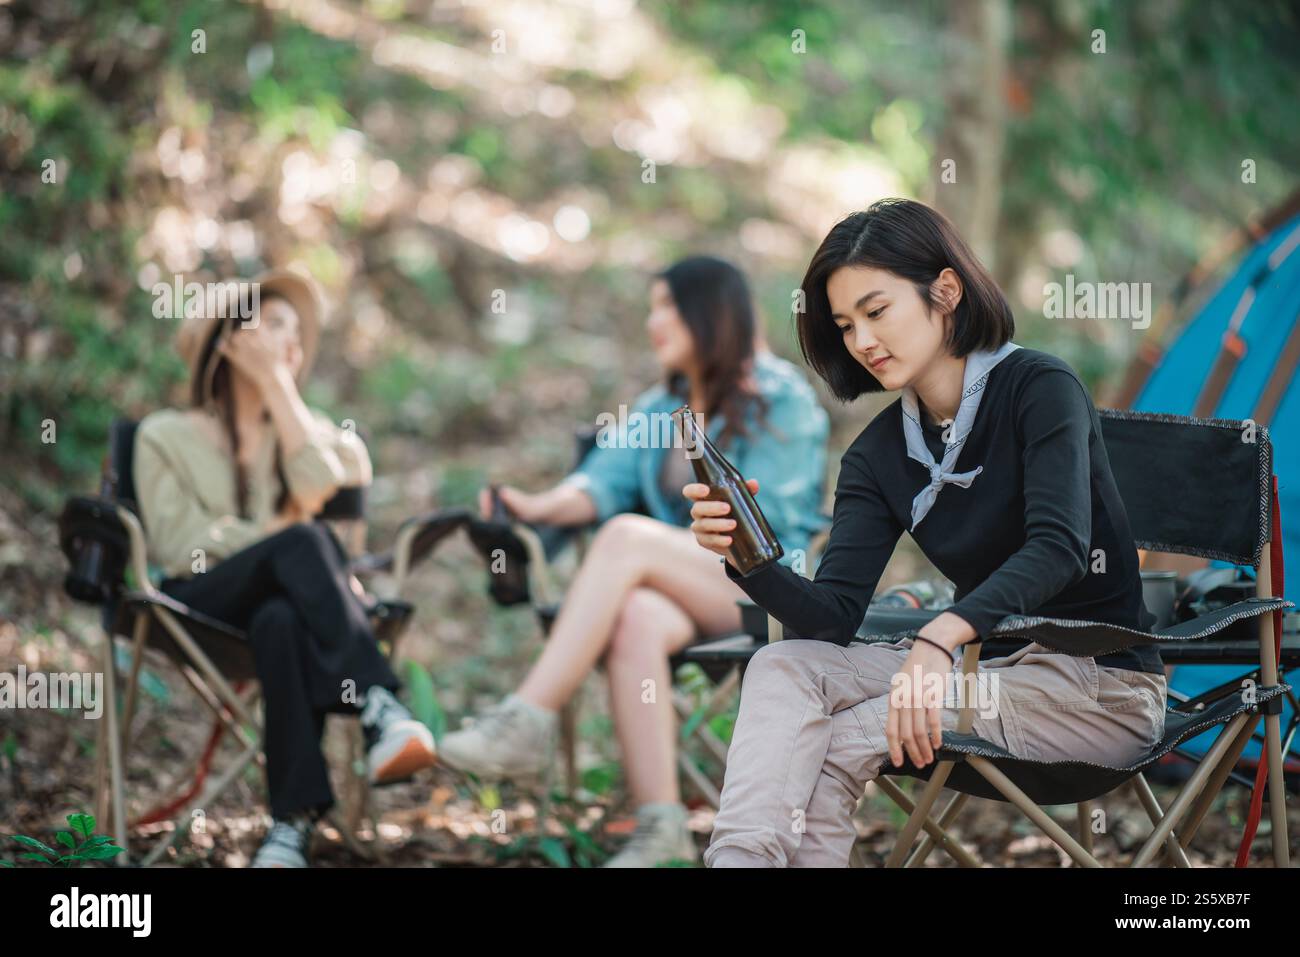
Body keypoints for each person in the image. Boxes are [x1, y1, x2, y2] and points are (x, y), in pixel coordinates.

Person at [684, 199, 1168, 867]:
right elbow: (829, 620)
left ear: (945, 290)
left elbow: (1058, 546)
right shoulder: (879, 454)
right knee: (780, 662)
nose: (861, 341)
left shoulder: (1039, 388)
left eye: (876, 311)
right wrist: (748, 558)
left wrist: (939, 638)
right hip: (980, 675)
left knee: (846, 735)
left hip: (1098, 688)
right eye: (846, 325)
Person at [439, 256, 830, 867]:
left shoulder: (784, 398)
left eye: (666, 306)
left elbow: (771, 524)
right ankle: (661, 826)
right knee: (637, 617)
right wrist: (531, 503)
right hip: (689, 590)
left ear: (711, 313)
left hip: (768, 586)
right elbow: (597, 484)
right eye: (651, 308)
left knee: (625, 537)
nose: (654, 322)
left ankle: (527, 719)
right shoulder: (658, 408)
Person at [133, 269, 436, 868]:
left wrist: (277, 388)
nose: (290, 343)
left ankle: (287, 828)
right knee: (298, 544)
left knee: (279, 618)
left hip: (293, 618)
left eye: (295, 334)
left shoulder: (326, 437)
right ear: (227, 340)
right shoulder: (163, 436)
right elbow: (178, 542)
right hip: (198, 603)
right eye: (272, 325)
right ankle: (377, 704)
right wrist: (272, 546)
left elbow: (325, 492)